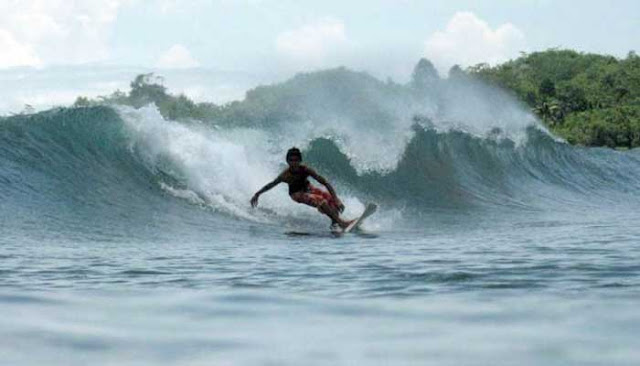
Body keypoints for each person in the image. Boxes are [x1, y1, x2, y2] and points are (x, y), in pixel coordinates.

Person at [250, 147, 353, 230]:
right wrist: (257, 194)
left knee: (329, 198)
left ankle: (334, 223)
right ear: (287, 161)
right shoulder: (285, 175)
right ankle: (342, 222)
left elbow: (324, 182)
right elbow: (271, 184)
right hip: (297, 194)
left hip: (308, 188)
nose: (294, 163)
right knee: (321, 201)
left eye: (296, 160)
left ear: (300, 160)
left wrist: (336, 199)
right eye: (291, 160)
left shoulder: (305, 169)